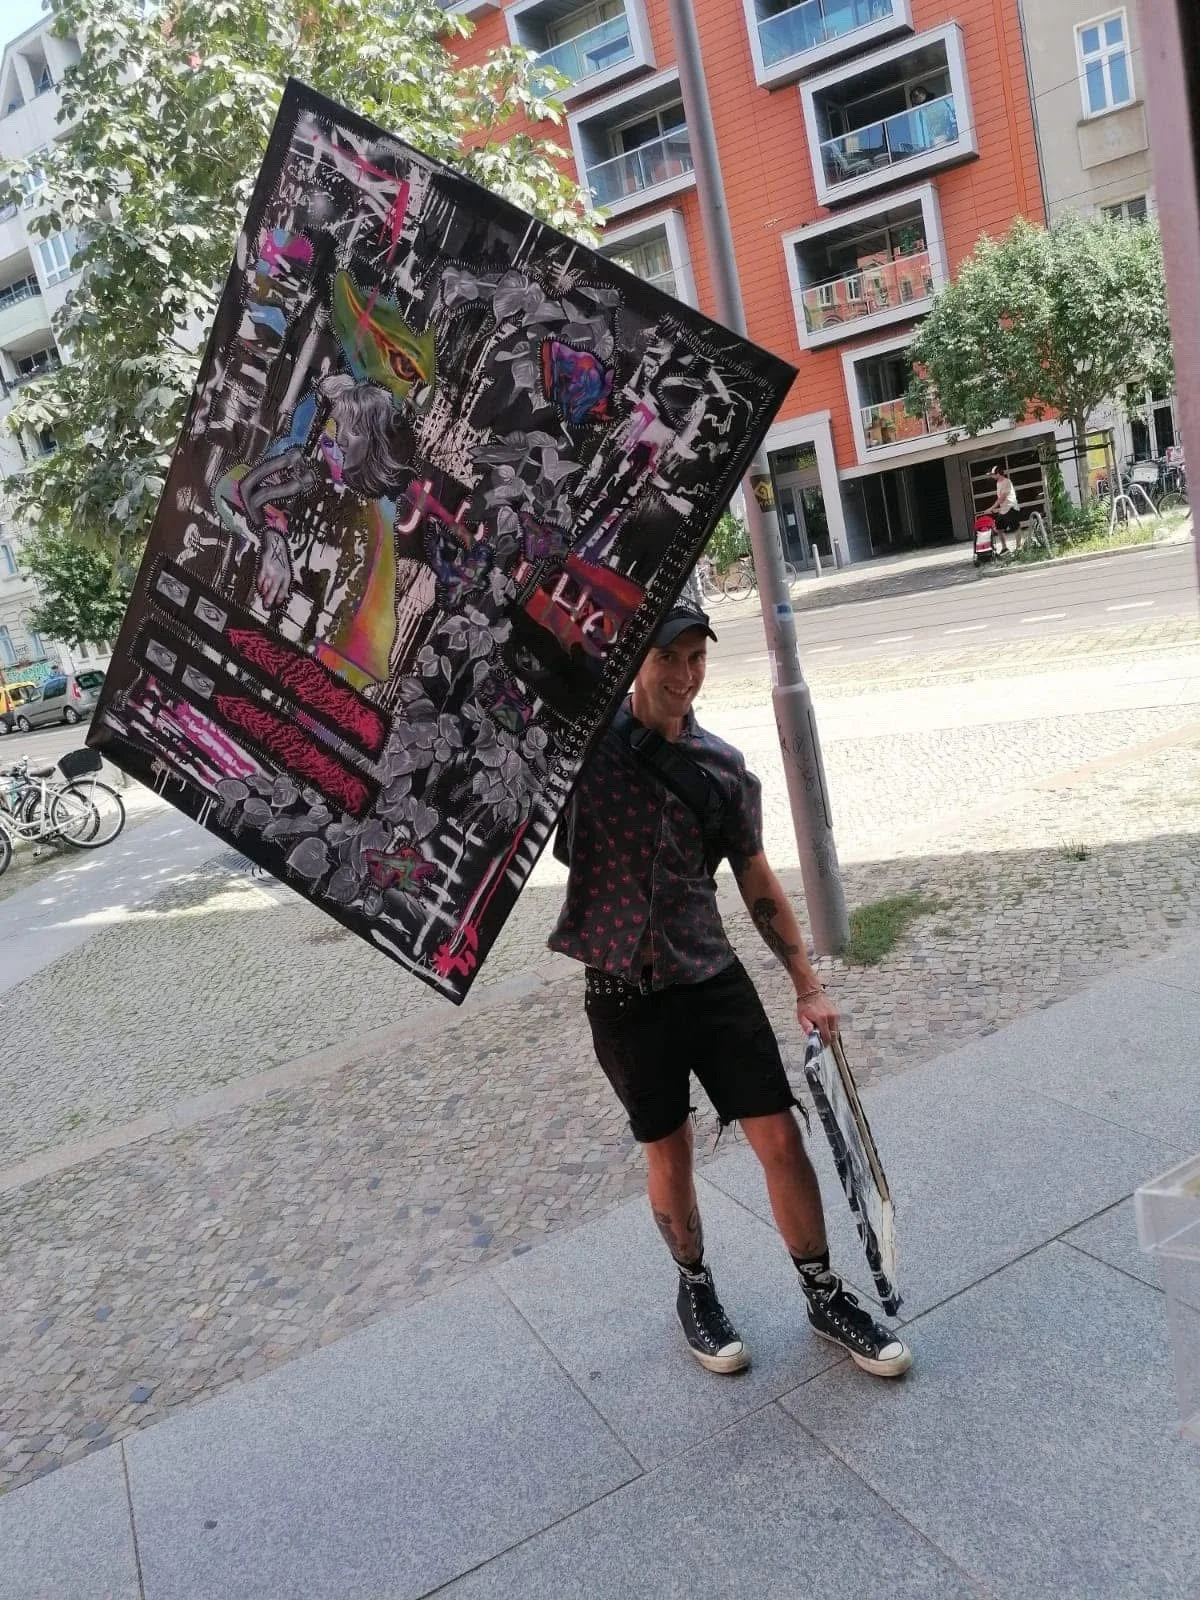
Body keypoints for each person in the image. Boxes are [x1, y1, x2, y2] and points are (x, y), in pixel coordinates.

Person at [549, 603, 912, 1380]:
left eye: (697, 658)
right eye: (668, 658)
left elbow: (753, 875)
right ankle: (696, 1289)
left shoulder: (720, 768)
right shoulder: (580, 752)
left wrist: (806, 984)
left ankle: (824, 1294)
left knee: (780, 1136)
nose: (685, 675)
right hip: (622, 994)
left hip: (711, 977)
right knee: (669, 1149)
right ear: (635, 660)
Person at [984, 464, 1020, 554]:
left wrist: (991, 508)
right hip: (1004, 509)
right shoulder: (998, 483)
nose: (991, 476)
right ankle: (1004, 548)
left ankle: (1019, 548)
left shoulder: (1007, 482)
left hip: (1011, 508)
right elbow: (1001, 499)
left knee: (1016, 528)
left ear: (998, 474)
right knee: (999, 528)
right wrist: (996, 509)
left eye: (992, 474)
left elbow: (1002, 498)